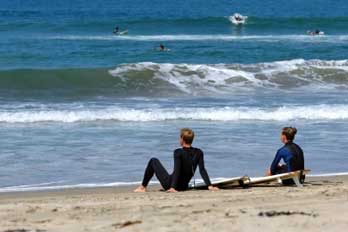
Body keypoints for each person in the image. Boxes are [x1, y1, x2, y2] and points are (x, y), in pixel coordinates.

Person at [134, 128, 219, 192]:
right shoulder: (199, 152)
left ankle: (143, 187)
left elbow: (177, 170)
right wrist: (210, 186)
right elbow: (202, 170)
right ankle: (144, 187)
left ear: (182, 138)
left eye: (180, 137)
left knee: (153, 161)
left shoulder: (178, 152)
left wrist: (172, 187)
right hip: (183, 187)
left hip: (170, 184)